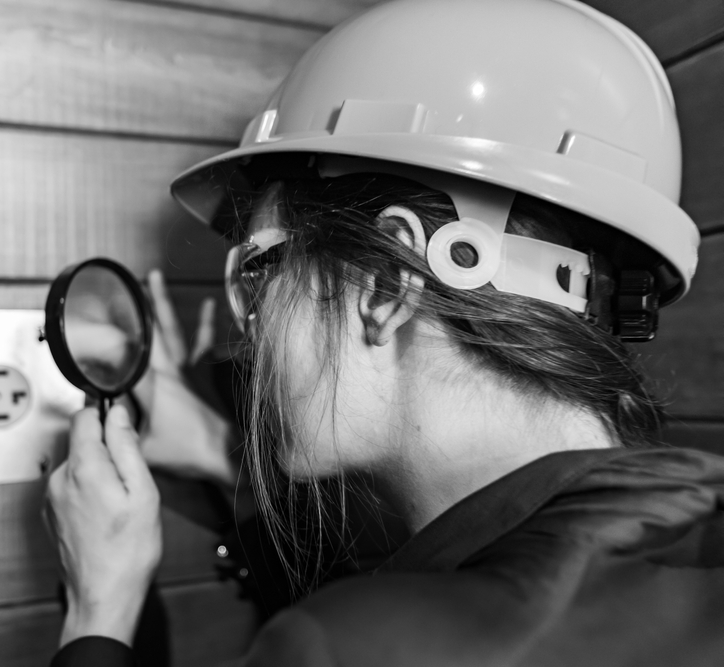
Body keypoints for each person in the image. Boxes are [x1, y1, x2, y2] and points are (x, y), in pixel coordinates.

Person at [46, 0, 724, 665]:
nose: (248, 335)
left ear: (383, 285)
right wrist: (226, 463)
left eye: (255, 275)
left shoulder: (344, 644)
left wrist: (96, 612)